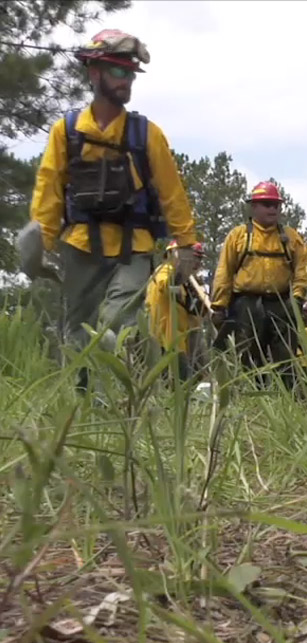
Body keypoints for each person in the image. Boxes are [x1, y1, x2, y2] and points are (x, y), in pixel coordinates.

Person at [29, 29, 198, 393]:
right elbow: (49, 191)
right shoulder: (67, 131)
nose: (127, 81)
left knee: (118, 320)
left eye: (131, 74)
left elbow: (172, 193)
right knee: (77, 330)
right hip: (79, 245)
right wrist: (39, 244)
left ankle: (122, 398)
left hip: (132, 247)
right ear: (94, 73)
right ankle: (81, 403)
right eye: (119, 72)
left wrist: (186, 244)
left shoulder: (145, 134)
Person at [211, 181, 307, 389]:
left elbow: (302, 271)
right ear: (253, 207)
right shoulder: (238, 236)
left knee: (286, 357)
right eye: (266, 204)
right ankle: (250, 400)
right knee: (247, 355)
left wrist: (297, 298)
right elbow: (224, 272)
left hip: (281, 304)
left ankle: (289, 402)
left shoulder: (291, 238)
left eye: (275, 205)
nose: (272, 209)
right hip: (246, 304)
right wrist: (219, 305)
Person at [145, 240, 208, 381]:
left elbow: (195, 316)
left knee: (195, 379)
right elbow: (165, 285)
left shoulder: (192, 282)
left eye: (199, 258)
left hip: (185, 340)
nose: (196, 262)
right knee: (176, 380)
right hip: (167, 339)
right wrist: (178, 276)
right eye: (193, 257)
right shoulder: (165, 271)